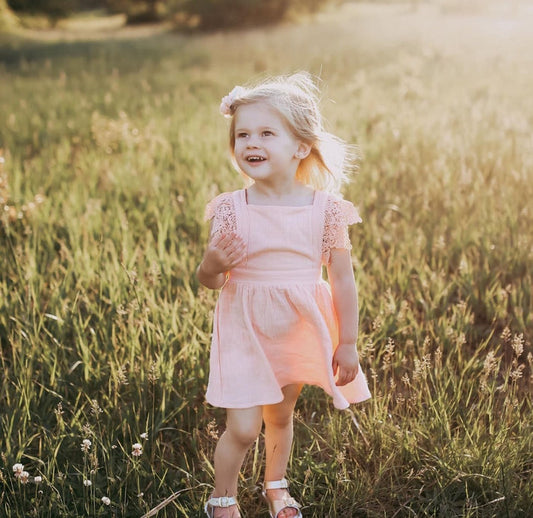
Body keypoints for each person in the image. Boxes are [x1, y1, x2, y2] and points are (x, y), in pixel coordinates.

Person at [197, 72, 371, 518]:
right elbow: (211, 280)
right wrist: (214, 264)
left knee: (280, 415)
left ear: (300, 146)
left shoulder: (326, 210)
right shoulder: (232, 208)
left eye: (266, 133)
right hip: (244, 328)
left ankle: (276, 484)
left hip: (296, 325)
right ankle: (222, 497)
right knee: (243, 427)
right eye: (242, 135)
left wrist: (347, 341)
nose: (251, 142)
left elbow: (343, 280)